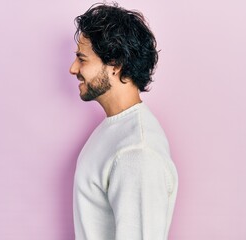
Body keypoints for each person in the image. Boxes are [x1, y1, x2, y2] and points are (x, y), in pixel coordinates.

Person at [69, 3, 178, 240]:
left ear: (115, 65)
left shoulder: (137, 152)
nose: (73, 68)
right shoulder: (115, 129)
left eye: (82, 58)